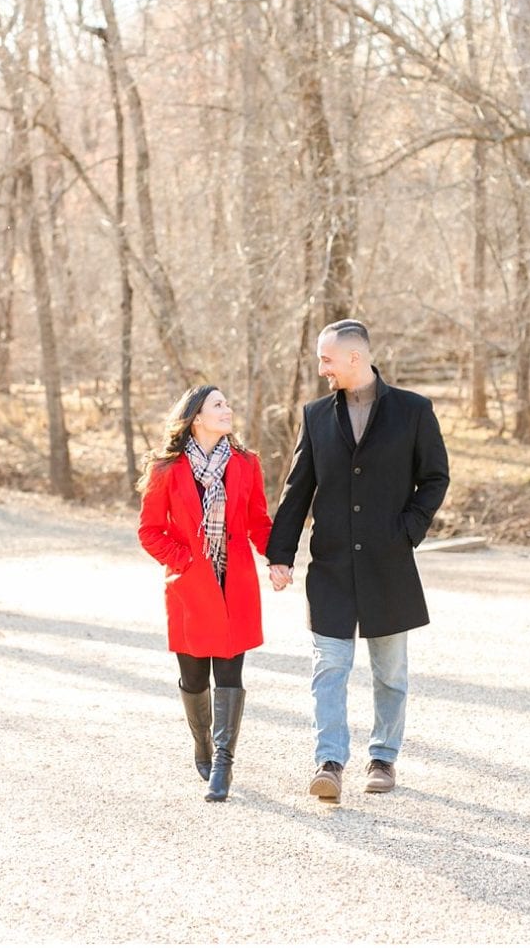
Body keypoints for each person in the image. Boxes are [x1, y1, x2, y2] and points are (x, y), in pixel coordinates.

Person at [265, 319, 450, 800]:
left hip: (388, 564)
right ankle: (329, 761)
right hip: (330, 565)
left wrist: (408, 530)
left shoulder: (413, 411)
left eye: (327, 359)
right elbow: (297, 488)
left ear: (355, 357)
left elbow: (435, 478)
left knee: (390, 672)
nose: (321, 368)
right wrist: (280, 553)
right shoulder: (316, 415)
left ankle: (383, 758)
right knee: (329, 666)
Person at [136, 385, 273, 802]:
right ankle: (203, 747)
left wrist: (279, 557)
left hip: (235, 586)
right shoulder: (166, 469)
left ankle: (223, 764)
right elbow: (149, 531)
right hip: (190, 589)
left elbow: (258, 521)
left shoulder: (247, 463)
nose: (227, 409)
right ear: (196, 416)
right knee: (194, 678)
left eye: (228, 403)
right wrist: (186, 561)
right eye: (218, 405)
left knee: (230, 675)